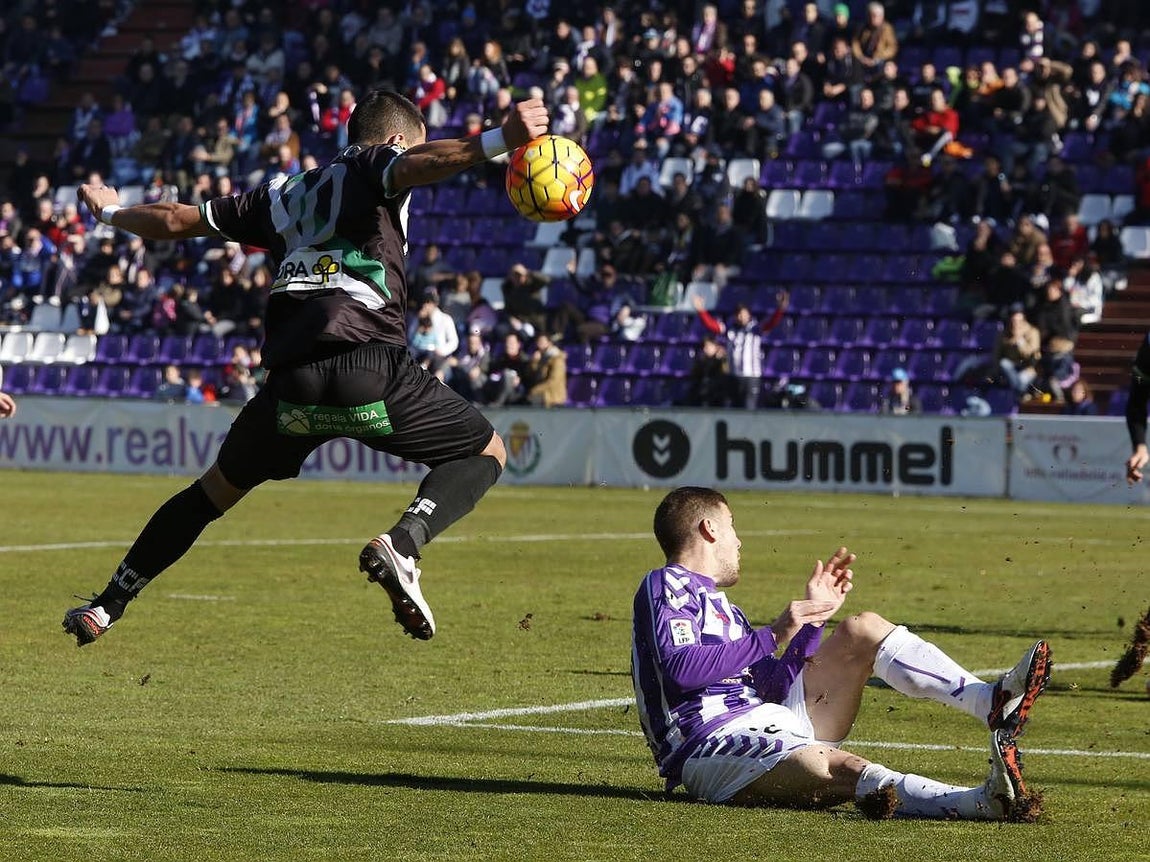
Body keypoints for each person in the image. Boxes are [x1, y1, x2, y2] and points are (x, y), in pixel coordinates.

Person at [64, 90, 550, 647]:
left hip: (292, 389)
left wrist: (106, 211)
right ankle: (406, 542)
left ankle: (107, 604)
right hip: (366, 366)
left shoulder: (281, 192)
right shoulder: (376, 164)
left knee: (212, 493)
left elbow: (176, 221)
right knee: (486, 449)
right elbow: (418, 164)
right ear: (394, 141)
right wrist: (497, 141)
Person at [632, 486, 1051, 819]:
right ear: (709, 529)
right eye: (732, 525)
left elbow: (773, 688)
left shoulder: (729, 611)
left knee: (862, 629)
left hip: (767, 720)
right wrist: (775, 632)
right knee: (836, 767)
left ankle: (989, 701)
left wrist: (813, 623)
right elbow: (680, 671)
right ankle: (979, 802)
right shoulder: (666, 585)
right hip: (711, 745)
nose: (739, 541)